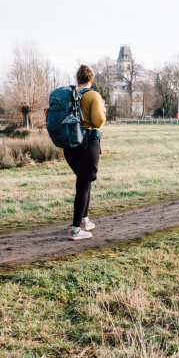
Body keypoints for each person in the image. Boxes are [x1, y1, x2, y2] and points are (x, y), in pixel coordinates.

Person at [65, 64, 106, 240]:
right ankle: (75, 230)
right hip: (88, 145)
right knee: (83, 186)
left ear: (77, 79)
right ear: (91, 80)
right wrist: (103, 109)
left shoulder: (69, 95)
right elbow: (98, 121)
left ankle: (85, 221)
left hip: (69, 146)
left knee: (84, 183)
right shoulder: (93, 95)